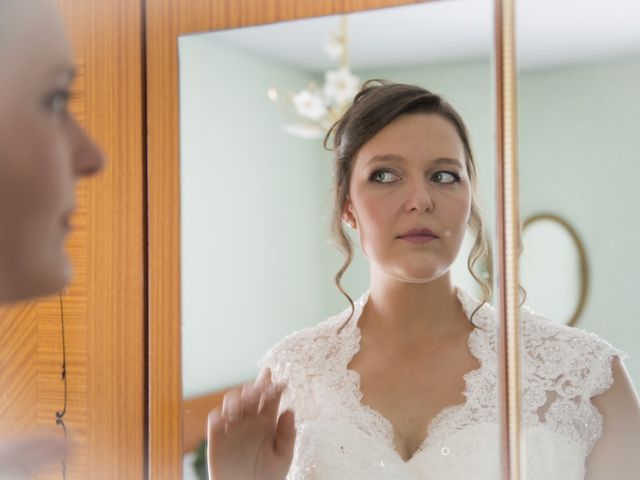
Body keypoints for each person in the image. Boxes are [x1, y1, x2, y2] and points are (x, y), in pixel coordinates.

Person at [207, 81, 640, 479]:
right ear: (347, 206)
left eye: (444, 176)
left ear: (469, 200)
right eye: (385, 175)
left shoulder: (587, 378)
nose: (420, 200)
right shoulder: (290, 374)